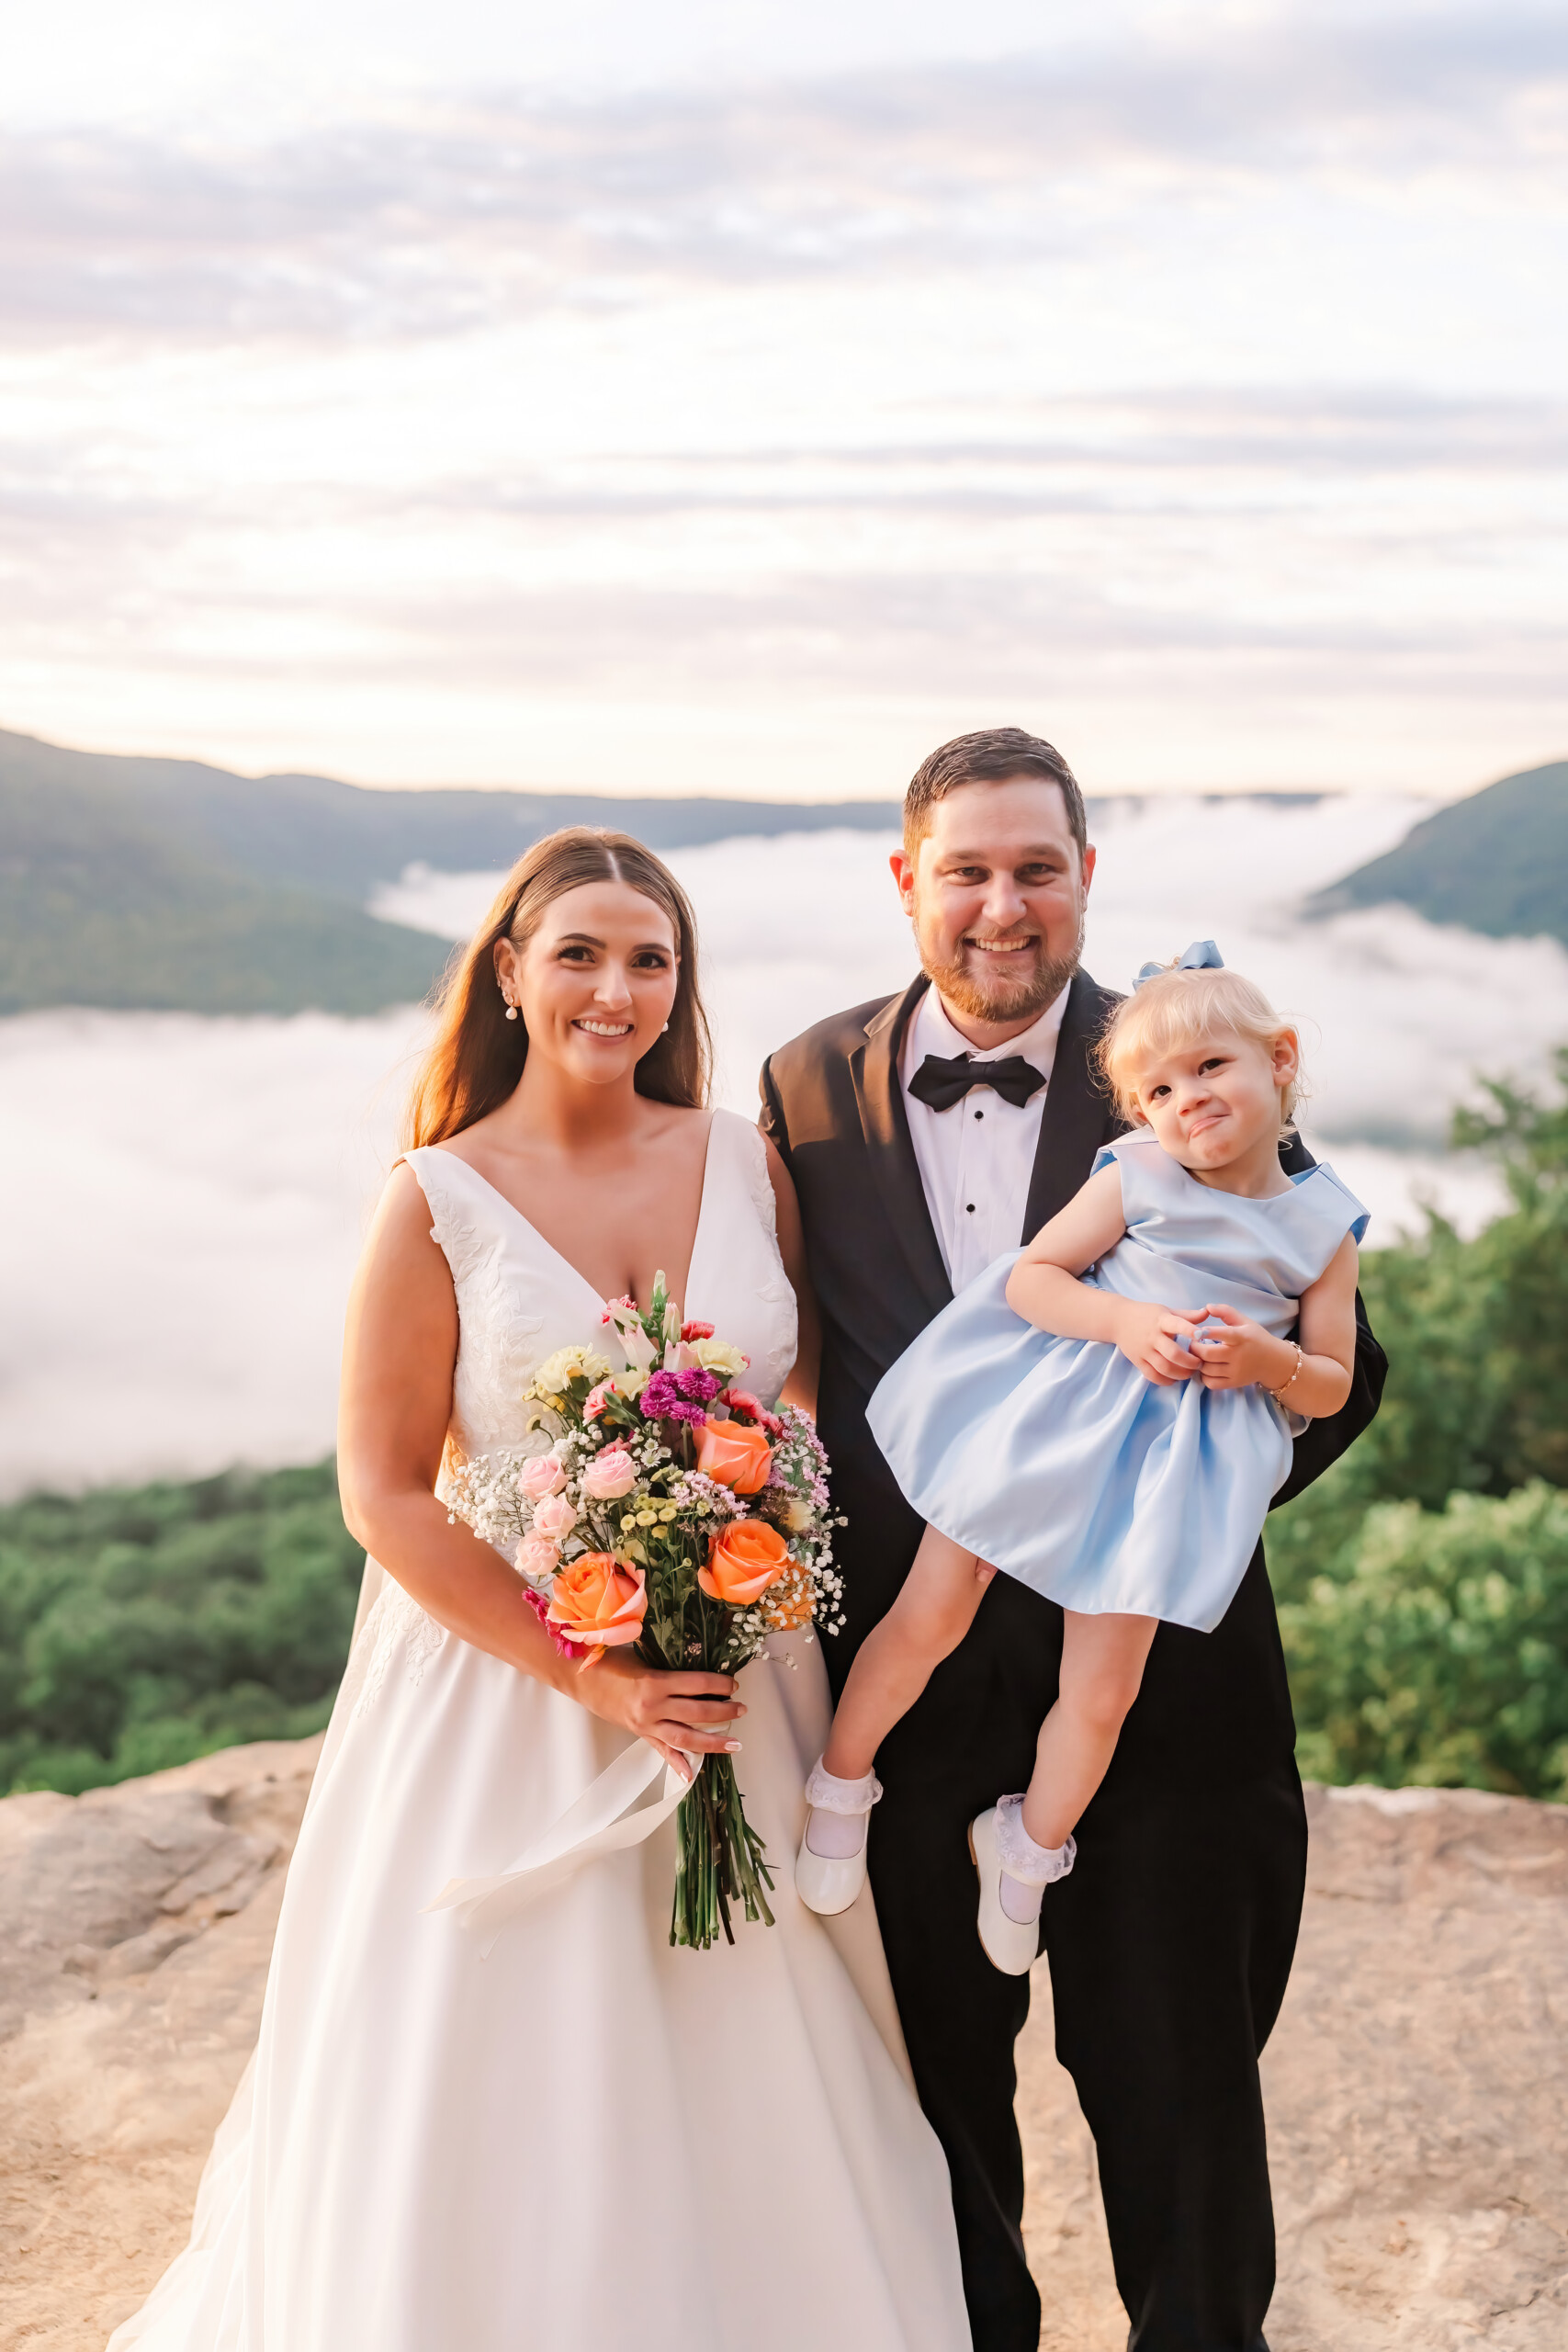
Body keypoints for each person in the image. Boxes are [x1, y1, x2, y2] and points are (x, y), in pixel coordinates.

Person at [109, 828, 971, 2352]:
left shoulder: (741, 1163)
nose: (614, 988)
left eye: (649, 959)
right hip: (506, 1687)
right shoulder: (434, 1198)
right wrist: (594, 1668)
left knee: (752, 2042)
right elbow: (381, 1489)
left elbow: (799, 1421)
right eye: (577, 952)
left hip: (736, 1685)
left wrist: (726, 1573)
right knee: (503, 2052)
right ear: (507, 975)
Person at [760, 730, 1387, 2352]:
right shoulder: (801, 1080)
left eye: (1035, 867)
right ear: (907, 881)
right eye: (963, 869)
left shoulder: (1185, 1057)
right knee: (930, 2137)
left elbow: (1345, 1369)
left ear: (1085, 878)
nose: (1000, 904)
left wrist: (1149, 1503)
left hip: (1158, 1696)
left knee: (1185, 2126)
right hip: (904, 1691)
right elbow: (775, 1356)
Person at [795, 953, 1368, 1984]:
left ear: (1279, 1062)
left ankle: (1027, 1843)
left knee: (1103, 1688)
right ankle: (840, 1781)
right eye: (1158, 1089)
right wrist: (1128, 1320)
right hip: (1054, 1419)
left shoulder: (1325, 1231)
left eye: (1209, 1068)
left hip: (1167, 1472)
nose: (1185, 1101)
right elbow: (1033, 1279)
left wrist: (1273, 1361)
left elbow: (1331, 1379)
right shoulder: (1136, 1172)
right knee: (934, 1607)